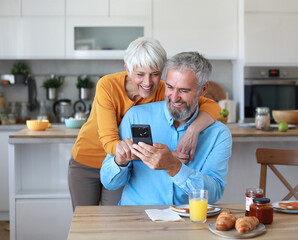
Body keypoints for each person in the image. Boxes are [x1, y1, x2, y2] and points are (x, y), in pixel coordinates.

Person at [68, 38, 221, 210]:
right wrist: (165, 156)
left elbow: (212, 105)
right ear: (127, 69)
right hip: (87, 160)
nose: (148, 83)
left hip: (123, 167)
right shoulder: (108, 85)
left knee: (111, 221)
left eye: (155, 74)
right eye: (140, 74)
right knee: (85, 224)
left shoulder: (166, 89)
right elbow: (110, 141)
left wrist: (192, 130)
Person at [100, 51, 232, 205]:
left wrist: (174, 167)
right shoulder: (136, 117)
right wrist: (119, 162)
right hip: (136, 218)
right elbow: (109, 183)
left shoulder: (218, 135)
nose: (174, 97)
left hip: (186, 221)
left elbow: (214, 193)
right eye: (169, 87)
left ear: (203, 90)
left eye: (184, 90)